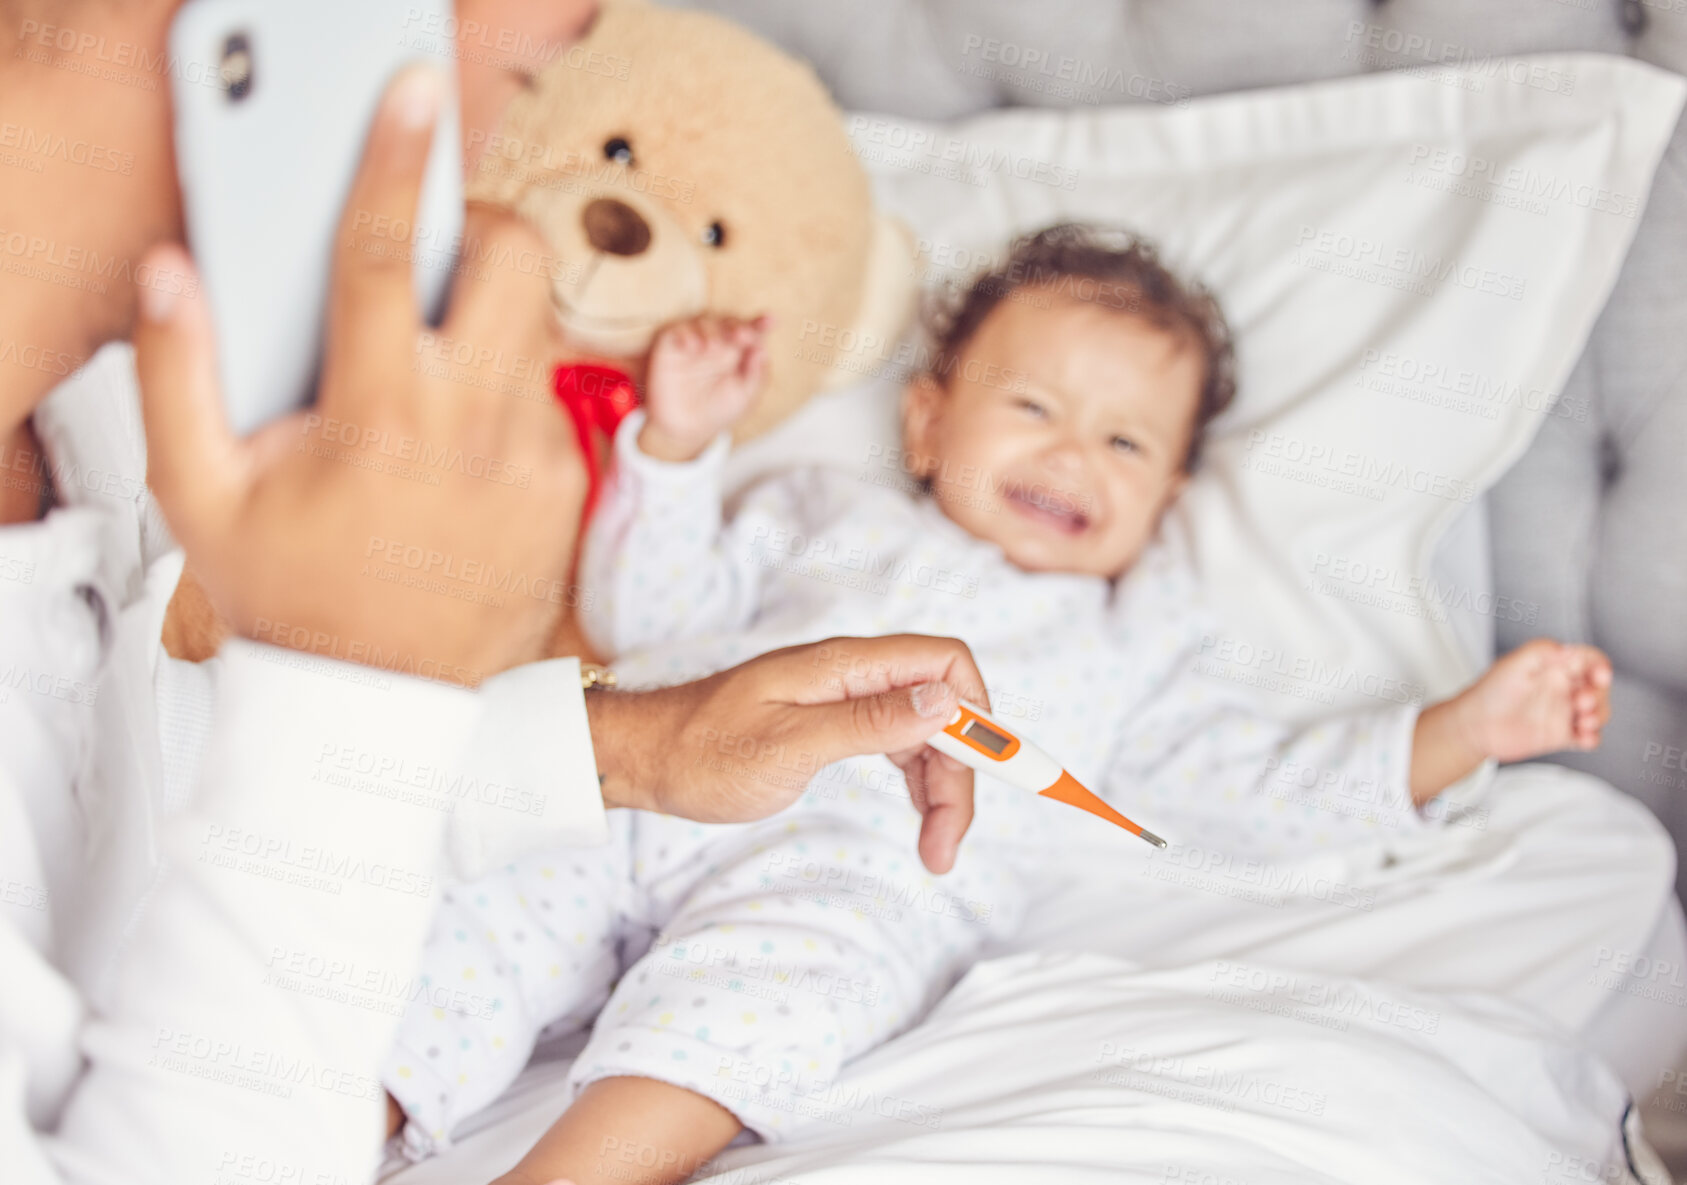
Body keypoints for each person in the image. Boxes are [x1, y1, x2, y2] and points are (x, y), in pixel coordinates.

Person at [382, 225, 1612, 1185]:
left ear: (1169, 498)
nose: (1074, 456)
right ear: (926, 423)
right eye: (1034, 409)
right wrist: (675, 453)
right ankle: (342, 1114)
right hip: (666, 778)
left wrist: (1461, 735)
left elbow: (1255, 786)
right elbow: (657, 618)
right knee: (484, 907)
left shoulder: (1131, 645)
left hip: (865, 867)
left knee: (770, 998)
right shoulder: (822, 513)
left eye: (1127, 445)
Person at [0, 2, 989, 1181]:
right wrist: (352, 676)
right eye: (530, 84)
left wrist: (627, 749)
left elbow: (99, 814)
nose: (488, 178)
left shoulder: (97, 421)